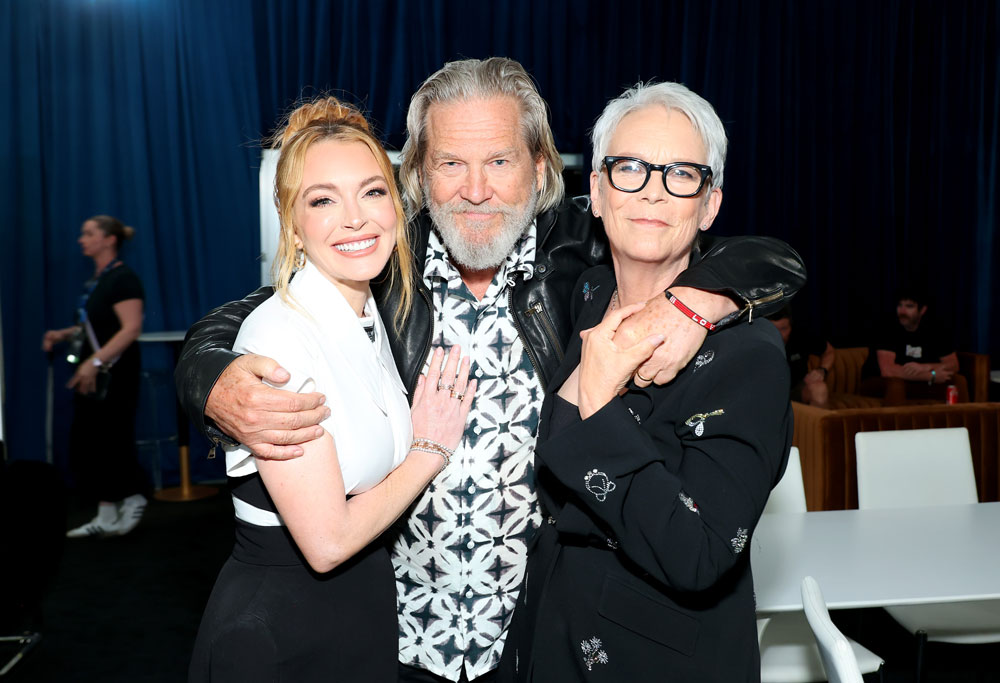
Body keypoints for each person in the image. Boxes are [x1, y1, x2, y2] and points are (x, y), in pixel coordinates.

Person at [175, 58, 805, 682]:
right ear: (418, 175)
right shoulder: (378, 261)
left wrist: (695, 300)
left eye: (500, 162)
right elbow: (253, 317)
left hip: (530, 641)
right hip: (396, 635)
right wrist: (212, 381)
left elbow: (763, 257)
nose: (476, 190)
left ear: (541, 170)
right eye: (451, 163)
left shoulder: (578, 257)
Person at [499, 81, 792, 682]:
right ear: (597, 191)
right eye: (630, 167)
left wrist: (599, 402)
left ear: (709, 205)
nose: (653, 190)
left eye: (682, 173)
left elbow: (701, 552)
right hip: (548, 637)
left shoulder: (749, 356)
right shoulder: (587, 291)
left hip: (657, 660)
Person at [188, 97, 475, 682]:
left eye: (372, 192)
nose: (355, 219)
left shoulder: (365, 312)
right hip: (279, 629)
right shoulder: (279, 338)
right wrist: (431, 449)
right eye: (323, 200)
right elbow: (326, 542)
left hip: (356, 609)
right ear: (293, 224)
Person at [42, 215, 147, 538]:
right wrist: (63, 334)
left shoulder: (123, 279)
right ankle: (106, 513)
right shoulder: (98, 281)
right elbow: (97, 326)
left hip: (114, 372)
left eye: (88, 233)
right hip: (96, 370)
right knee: (93, 441)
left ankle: (134, 498)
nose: (81, 239)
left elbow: (130, 328)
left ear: (109, 239)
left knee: (112, 438)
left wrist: (94, 362)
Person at [875, 287, 967, 403]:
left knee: (958, 381)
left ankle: (964, 415)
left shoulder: (935, 329)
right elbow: (888, 370)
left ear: (922, 310)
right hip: (882, 382)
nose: (902, 311)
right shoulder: (887, 327)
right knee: (896, 384)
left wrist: (926, 367)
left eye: (909, 306)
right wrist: (930, 376)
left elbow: (953, 365)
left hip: (919, 383)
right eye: (900, 305)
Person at [767, 305, 834, 407]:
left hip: (796, 389)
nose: (780, 335)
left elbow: (829, 351)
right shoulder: (757, 342)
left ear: (790, 326)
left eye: (784, 329)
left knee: (819, 389)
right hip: (768, 393)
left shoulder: (800, 336)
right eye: (774, 329)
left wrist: (822, 370)